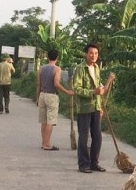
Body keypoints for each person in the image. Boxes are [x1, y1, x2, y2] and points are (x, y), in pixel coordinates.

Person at [72, 43, 112, 173]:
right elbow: (77, 89)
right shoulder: (79, 68)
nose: (93, 55)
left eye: (96, 53)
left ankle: (94, 163)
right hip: (84, 108)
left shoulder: (96, 68)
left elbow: (99, 88)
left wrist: (100, 106)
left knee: (97, 136)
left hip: (95, 107)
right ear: (86, 54)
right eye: (91, 53)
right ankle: (83, 164)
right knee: (83, 136)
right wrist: (93, 92)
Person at [37, 48, 74, 150]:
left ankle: (43, 143)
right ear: (57, 57)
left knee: (43, 121)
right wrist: (67, 92)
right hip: (52, 95)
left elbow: (38, 84)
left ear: (48, 57)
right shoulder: (57, 69)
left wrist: (37, 97)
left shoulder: (41, 68)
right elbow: (56, 84)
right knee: (50, 121)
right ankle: (47, 144)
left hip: (42, 95)